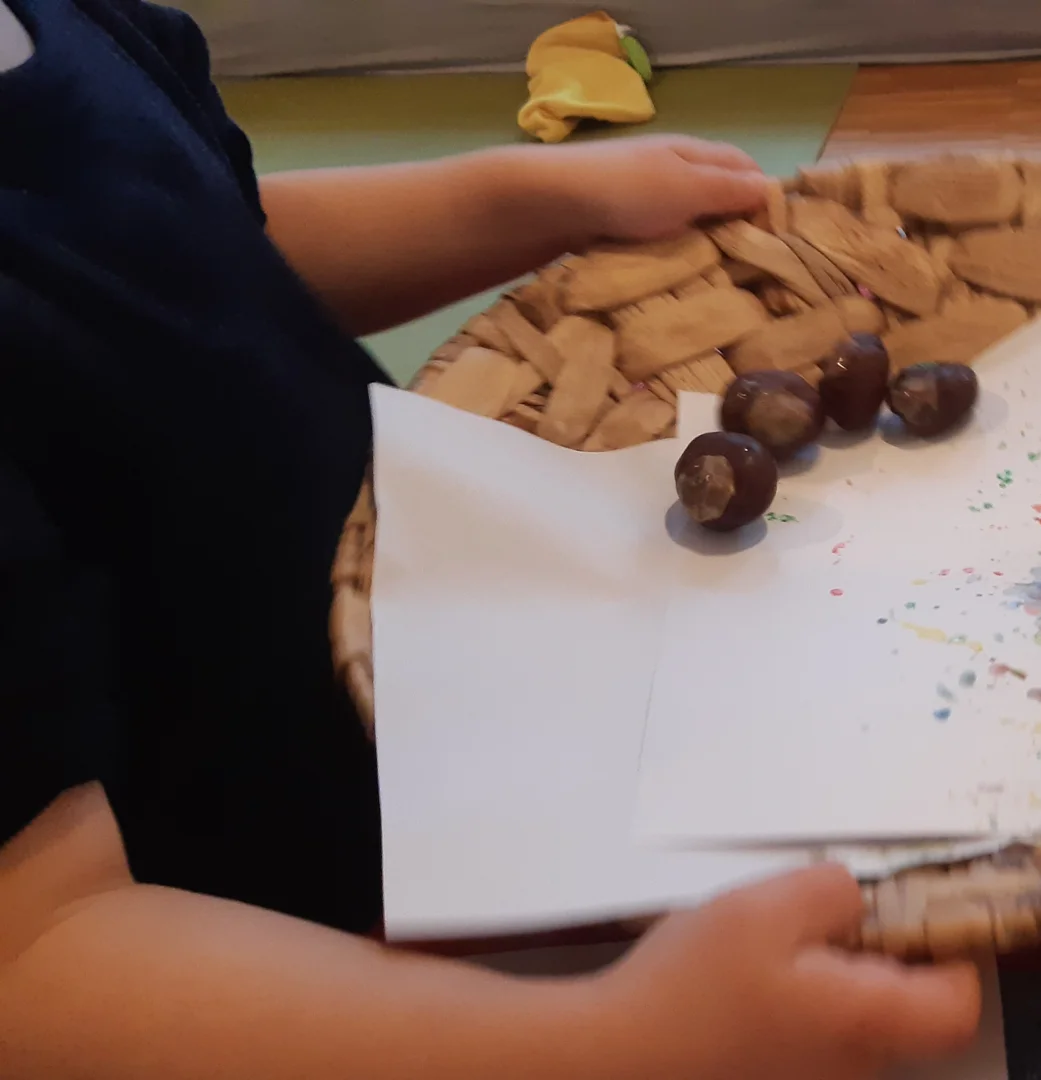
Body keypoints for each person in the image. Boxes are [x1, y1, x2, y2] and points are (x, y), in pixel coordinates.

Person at [0, 1, 981, 1076]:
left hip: (473, 710)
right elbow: (36, 949)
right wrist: (614, 1042)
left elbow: (211, 242)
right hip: (318, 963)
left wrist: (520, 200)